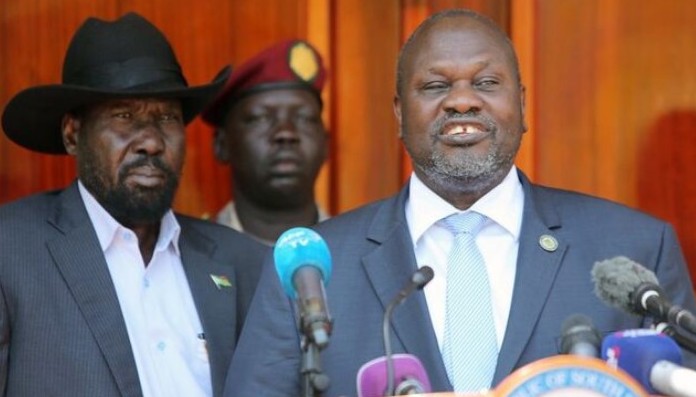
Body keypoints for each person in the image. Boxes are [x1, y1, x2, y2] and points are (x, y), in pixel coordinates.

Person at [223, 8, 696, 396]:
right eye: (435, 86)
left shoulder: (635, 250)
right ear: (399, 113)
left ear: (523, 106)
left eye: (487, 83)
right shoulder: (313, 267)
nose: (463, 102)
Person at [0, 13, 267, 397]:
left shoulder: (242, 262)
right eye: (124, 116)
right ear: (73, 134)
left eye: (166, 118)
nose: (152, 142)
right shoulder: (11, 251)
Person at [200, 39, 330, 246]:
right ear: (221, 145)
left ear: (326, 144)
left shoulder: (359, 254)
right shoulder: (188, 258)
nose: (286, 133)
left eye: (304, 118)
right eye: (260, 118)